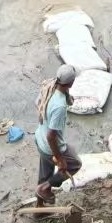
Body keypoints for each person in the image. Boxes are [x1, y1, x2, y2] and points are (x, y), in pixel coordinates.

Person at [34, 65, 82, 205]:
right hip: (48, 144)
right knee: (74, 163)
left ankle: (39, 208)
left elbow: (37, 103)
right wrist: (60, 159)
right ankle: (46, 188)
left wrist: (46, 116)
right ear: (71, 83)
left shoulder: (49, 86)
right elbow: (51, 136)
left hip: (39, 139)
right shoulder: (60, 106)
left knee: (45, 173)